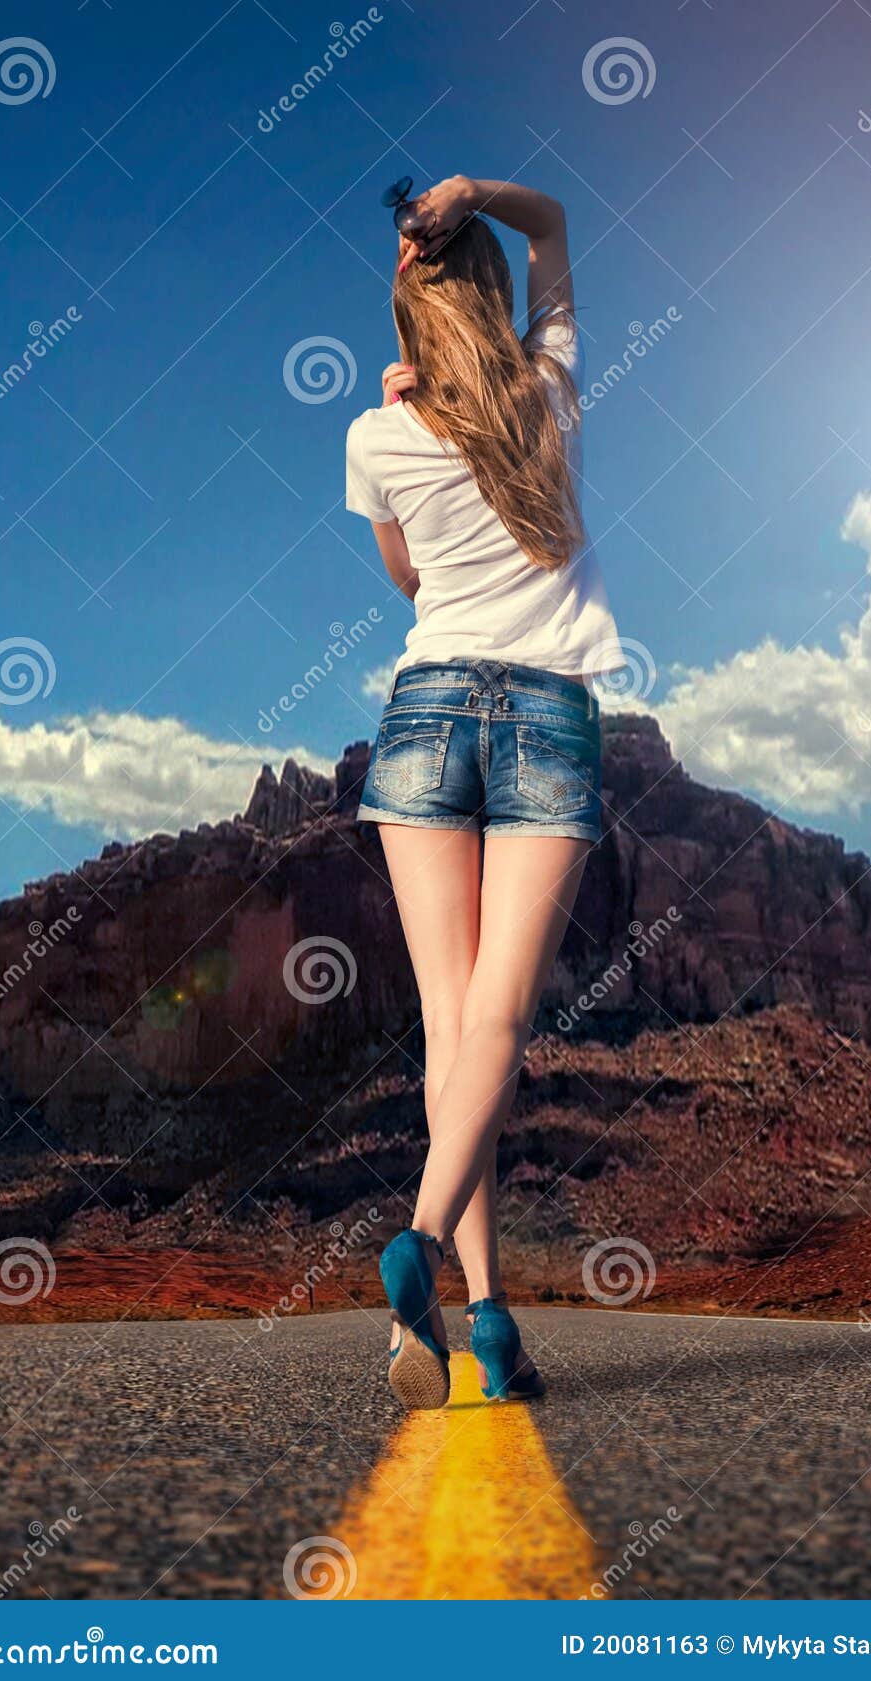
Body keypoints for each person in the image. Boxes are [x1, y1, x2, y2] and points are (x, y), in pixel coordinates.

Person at [345, 175, 620, 1409]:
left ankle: (491, 1321)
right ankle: (419, 1242)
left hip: (425, 710)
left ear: (410, 304)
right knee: (500, 1022)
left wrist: (403, 396)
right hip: (547, 707)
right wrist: (481, 194)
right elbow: (554, 222)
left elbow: (407, 581)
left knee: (454, 1030)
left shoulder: (375, 433)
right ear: (499, 298)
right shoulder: (551, 390)